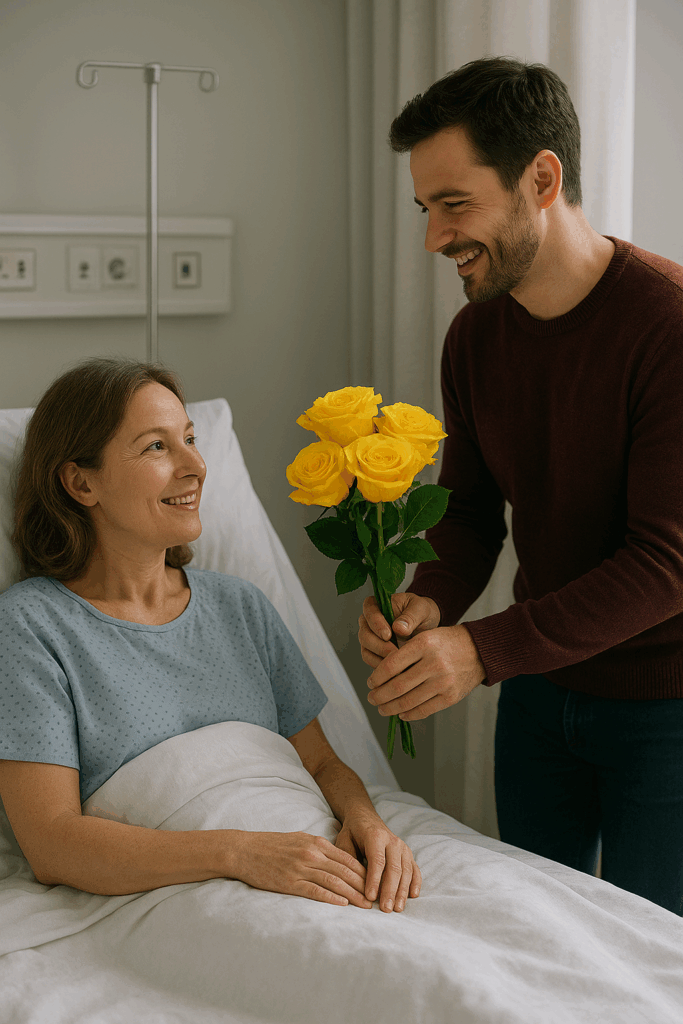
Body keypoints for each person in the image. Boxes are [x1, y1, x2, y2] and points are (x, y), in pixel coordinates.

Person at [358, 56, 683, 916]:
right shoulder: (472, 338)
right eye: (425, 208)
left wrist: (480, 651)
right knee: (534, 939)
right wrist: (431, 603)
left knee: (658, 962)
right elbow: (468, 512)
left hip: (667, 709)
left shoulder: (669, 326)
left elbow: (665, 564)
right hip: (540, 697)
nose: (433, 238)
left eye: (454, 204)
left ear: (541, 177)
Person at [0, 357, 420, 914]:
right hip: (186, 893)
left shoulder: (240, 605)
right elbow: (52, 843)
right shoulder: (31, 626)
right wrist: (244, 855)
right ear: (81, 482)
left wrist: (367, 824)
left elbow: (321, 765)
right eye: (156, 446)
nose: (195, 464)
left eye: (191, 439)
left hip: (313, 852)